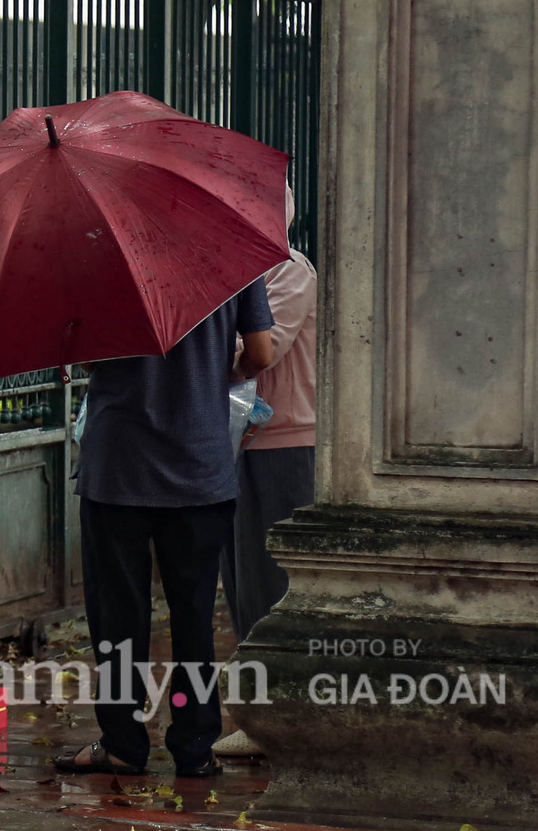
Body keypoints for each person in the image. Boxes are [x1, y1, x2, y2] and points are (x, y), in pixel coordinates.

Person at [56, 277, 277, 780]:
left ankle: (123, 745)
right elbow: (261, 353)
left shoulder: (102, 262)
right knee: (195, 615)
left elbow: (88, 359)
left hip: (118, 468)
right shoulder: (229, 258)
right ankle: (195, 747)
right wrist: (218, 373)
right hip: (199, 466)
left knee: (118, 616)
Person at [214, 185, 317, 759]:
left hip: (280, 443)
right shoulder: (236, 275)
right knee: (245, 584)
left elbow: (261, 349)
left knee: (273, 587)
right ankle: (261, 717)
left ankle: (281, 719)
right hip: (240, 444)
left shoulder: (289, 271)